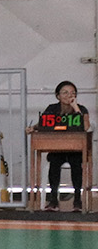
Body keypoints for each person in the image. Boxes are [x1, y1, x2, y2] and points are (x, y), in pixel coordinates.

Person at [35, 80, 90, 211]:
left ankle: (77, 200)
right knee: (54, 162)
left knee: (76, 164)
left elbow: (86, 127)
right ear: (58, 95)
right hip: (57, 148)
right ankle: (53, 200)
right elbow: (44, 124)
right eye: (65, 92)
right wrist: (33, 128)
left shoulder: (81, 109)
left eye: (72, 93)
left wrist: (75, 108)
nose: (69, 95)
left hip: (75, 149)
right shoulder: (52, 109)